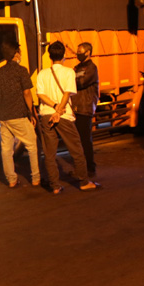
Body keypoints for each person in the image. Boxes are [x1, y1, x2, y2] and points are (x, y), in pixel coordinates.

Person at [37, 41, 98, 194]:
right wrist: (59, 109)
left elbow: (40, 94)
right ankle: (84, 182)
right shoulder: (69, 72)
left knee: (50, 153)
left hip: (45, 115)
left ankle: (55, 186)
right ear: (63, 55)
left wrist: (53, 106)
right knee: (76, 149)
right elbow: (67, 93)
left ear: (50, 56)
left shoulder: (42, 73)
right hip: (63, 115)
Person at [0, 39, 39, 188]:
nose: (21, 54)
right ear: (16, 53)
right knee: (32, 144)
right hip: (18, 114)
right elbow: (27, 93)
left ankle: (11, 180)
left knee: (6, 149)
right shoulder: (21, 71)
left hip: (4, 116)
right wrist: (31, 112)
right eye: (19, 51)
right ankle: (36, 177)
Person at [73, 41, 99, 177]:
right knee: (77, 140)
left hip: (85, 107)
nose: (78, 53)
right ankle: (81, 167)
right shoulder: (77, 67)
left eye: (80, 51)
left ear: (88, 52)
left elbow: (81, 82)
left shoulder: (91, 68)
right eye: (77, 51)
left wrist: (70, 81)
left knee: (85, 139)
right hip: (76, 107)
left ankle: (90, 168)